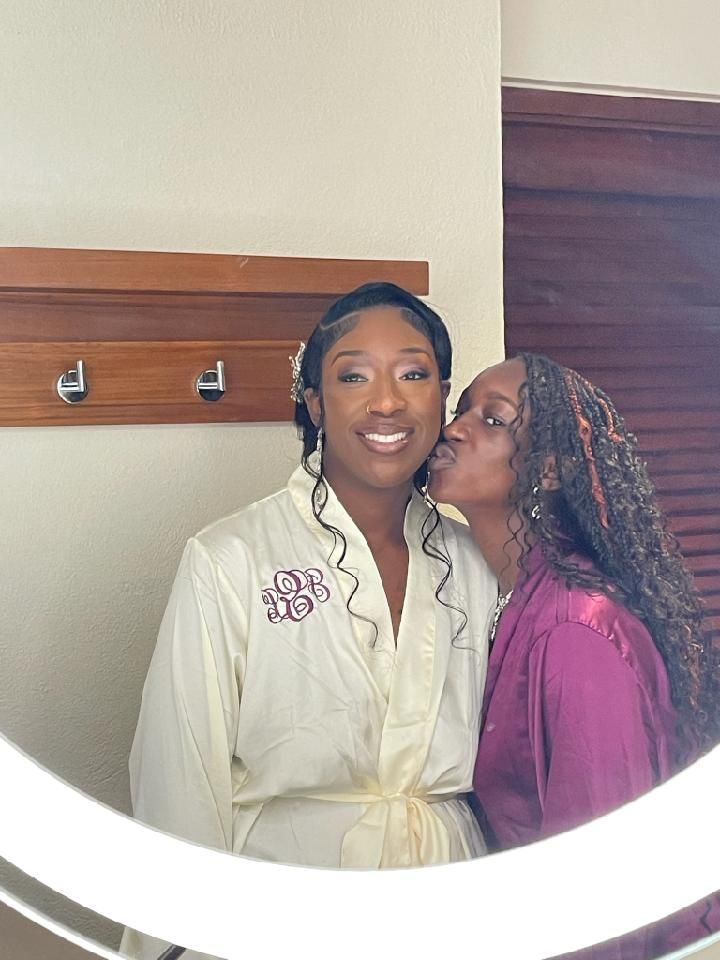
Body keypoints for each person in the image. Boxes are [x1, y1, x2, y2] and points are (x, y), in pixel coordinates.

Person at [121, 283, 496, 960]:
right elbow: (178, 776)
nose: (387, 401)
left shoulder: (474, 563)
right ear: (316, 402)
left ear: (443, 396)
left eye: (414, 374)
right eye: (354, 376)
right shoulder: (232, 558)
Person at [428, 351, 719, 959]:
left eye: (492, 419)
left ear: (551, 470)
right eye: (461, 412)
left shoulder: (576, 632)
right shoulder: (499, 597)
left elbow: (598, 892)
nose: (453, 429)